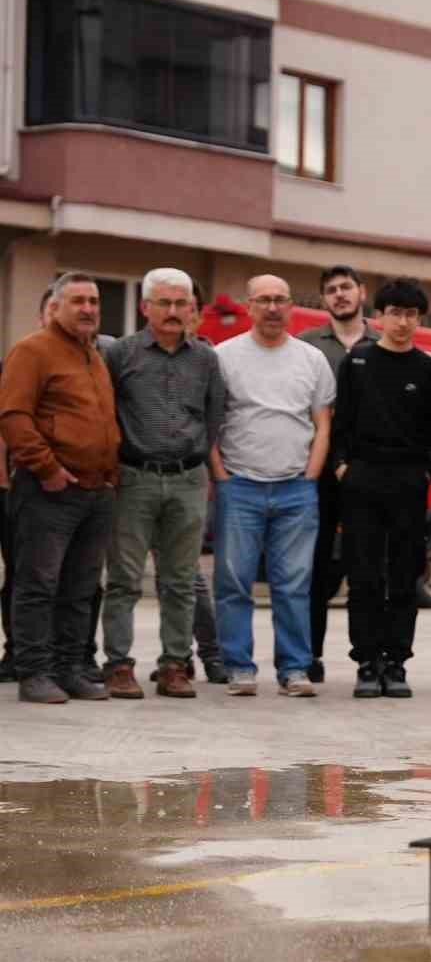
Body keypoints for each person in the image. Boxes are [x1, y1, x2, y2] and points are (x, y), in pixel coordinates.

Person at [100, 268, 224, 699]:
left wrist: (197, 463)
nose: (173, 312)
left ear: (192, 307)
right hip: (134, 478)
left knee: (180, 578)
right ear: (145, 307)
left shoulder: (206, 359)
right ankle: (117, 665)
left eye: (181, 304)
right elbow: (106, 412)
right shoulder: (120, 354)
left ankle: (175, 665)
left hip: (189, 479)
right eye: (164, 303)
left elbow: (214, 416)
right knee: (124, 579)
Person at [211, 275, 337, 697]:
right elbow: (212, 423)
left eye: (280, 300)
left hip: (296, 490)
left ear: (290, 306)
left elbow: (322, 424)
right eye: (263, 300)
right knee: (233, 583)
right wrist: (222, 477)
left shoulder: (311, 359)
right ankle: (239, 667)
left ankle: (295, 669)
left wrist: (311, 476)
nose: (272, 307)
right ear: (248, 306)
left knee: (294, 586)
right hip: (240, 485)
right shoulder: (225, 357)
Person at [0, 273, 120, 703]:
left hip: (97, 491)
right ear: (56, 306)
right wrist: (46, 468)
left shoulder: (94, 355)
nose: (88, 308)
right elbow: (14, 416)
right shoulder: (32, 351)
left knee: (80, 589)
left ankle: (70, 669)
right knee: (37, 584)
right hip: (49, 491)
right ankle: (34, 672)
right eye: (78, 301)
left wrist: (110, 477)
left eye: (93, 301)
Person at [330, 278, 431, 699]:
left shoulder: (427, 369)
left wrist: (425, 472)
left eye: (411, 314)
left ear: (418, 320)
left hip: (409, 483)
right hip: (362, 480)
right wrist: (343, 468)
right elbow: (341, 424)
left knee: (403, 573)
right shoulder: (356, 363)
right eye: (394, 313)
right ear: (378, 318)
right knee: (363, 574)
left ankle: (396, 663)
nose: (402, 322)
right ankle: (366, 662)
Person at [301, 266, 379, 682]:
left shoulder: (385, 341)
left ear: (361, 292)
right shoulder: (307, 346)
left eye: (346, 287)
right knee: (313, 568)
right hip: (318, 473)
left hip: (367, 473)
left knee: (366, 567)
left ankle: (368, 657)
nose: (339, 295)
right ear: (324, 299)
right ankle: (307, 655)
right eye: (330, 290)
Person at [0, 287, 53, 684]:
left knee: (23, 575)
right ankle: (17, 653)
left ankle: (22, 654)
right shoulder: (20, 358)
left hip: (14, 487)